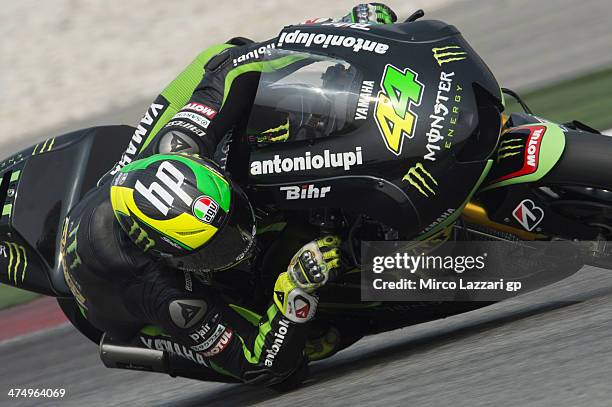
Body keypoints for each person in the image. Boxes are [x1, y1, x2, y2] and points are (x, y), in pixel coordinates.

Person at [61, 4, 398, 386]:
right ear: (166, 255)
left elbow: (238, 62)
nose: (242, 240)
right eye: (215, 248)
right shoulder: (165, 293)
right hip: (125, 312)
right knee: (309, 347)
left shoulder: (178, 145)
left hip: (129, 181)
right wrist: (295, 290)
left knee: (223, 55)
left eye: (232, 226)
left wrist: (344, 34)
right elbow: (261, 366)